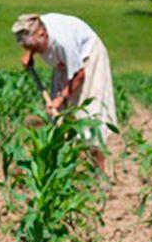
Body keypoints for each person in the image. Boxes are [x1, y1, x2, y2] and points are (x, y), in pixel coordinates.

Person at [11, 13, 117, 169]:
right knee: (58, 117)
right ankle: (63, 168)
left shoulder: (63, 41)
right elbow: (30, 39)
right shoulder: (36, 26)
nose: (34, 51)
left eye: (33, 47)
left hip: (88, 59)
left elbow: (79, 74)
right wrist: (29, 53)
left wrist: (60, 98)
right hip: (64, 62)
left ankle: (98, 173)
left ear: (42, 34)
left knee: (88, 116)